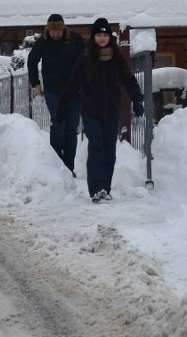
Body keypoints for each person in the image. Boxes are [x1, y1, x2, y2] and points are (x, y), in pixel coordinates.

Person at [57, 18, 144, 203]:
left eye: (105, 35)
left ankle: (106, 188)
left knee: (109, 151)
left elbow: (129, 79)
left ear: (109, 37)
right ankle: (96, 190)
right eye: (99, 35)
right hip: (91, 111)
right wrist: (61, 107)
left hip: (112, 111)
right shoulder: (86, 59)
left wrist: (137, 98)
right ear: (94, 37)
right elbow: (73, 84)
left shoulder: (117, 59)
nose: (102, 38)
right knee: (96, 148)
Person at [27, 13, 86, 177]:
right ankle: (57, 166)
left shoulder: (75, 40)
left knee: (71, 128)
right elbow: (32, 60)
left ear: (64, 28)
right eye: (52, 31)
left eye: (58, 31)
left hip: (74, 92)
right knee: (59, 124)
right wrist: (36, 83)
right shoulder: (43, 43)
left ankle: (68, 168)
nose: (56, 34)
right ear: (48, 30)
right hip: (53, 91)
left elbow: (86, 60)